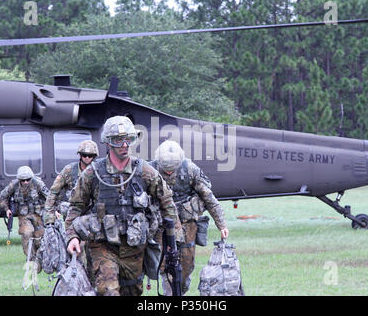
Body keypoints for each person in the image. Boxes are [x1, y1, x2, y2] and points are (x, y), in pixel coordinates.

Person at [65, 116, 184, 296]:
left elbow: (166, 201)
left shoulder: (144, 170)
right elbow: (75, 207)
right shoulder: (92, 173)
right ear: (109, 143)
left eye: (128, 139)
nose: (124, 145)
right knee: (109, 290)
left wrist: (174, 239)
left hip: (134, 247)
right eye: (118, 140)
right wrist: (72, 237)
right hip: (102, 245)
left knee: (133, 291)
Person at [150, 140, 229, 295]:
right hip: (161, 226)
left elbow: (209, 199)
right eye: (166, 170)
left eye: (172, 170)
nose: (169, 173)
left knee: (186, 267)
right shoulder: (150, 170)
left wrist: (222, 225)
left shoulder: (190, 170)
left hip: (187, 227)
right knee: (165, 266)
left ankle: (180, 290)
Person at [0, 166, 49, 269]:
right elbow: (2, 197)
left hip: (38, 214)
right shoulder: (14, 185)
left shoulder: (38, 183)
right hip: (24, 215)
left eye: (28, 180)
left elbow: (49, 196)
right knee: (26, 233)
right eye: (23, 180)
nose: (26, 182)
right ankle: (31, 260)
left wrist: (53, 210)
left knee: (40, 238)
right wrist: (6, 209)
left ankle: (41, 260)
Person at [43, 140, 99, 224]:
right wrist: (50, 215)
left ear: (94, 156)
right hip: (73, 210)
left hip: (93, 212)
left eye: (90, 155)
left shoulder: (99, 171)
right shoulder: (69, 170)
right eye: (84, 155)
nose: (87, 158)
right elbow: (53, 192)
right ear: (80, 155)